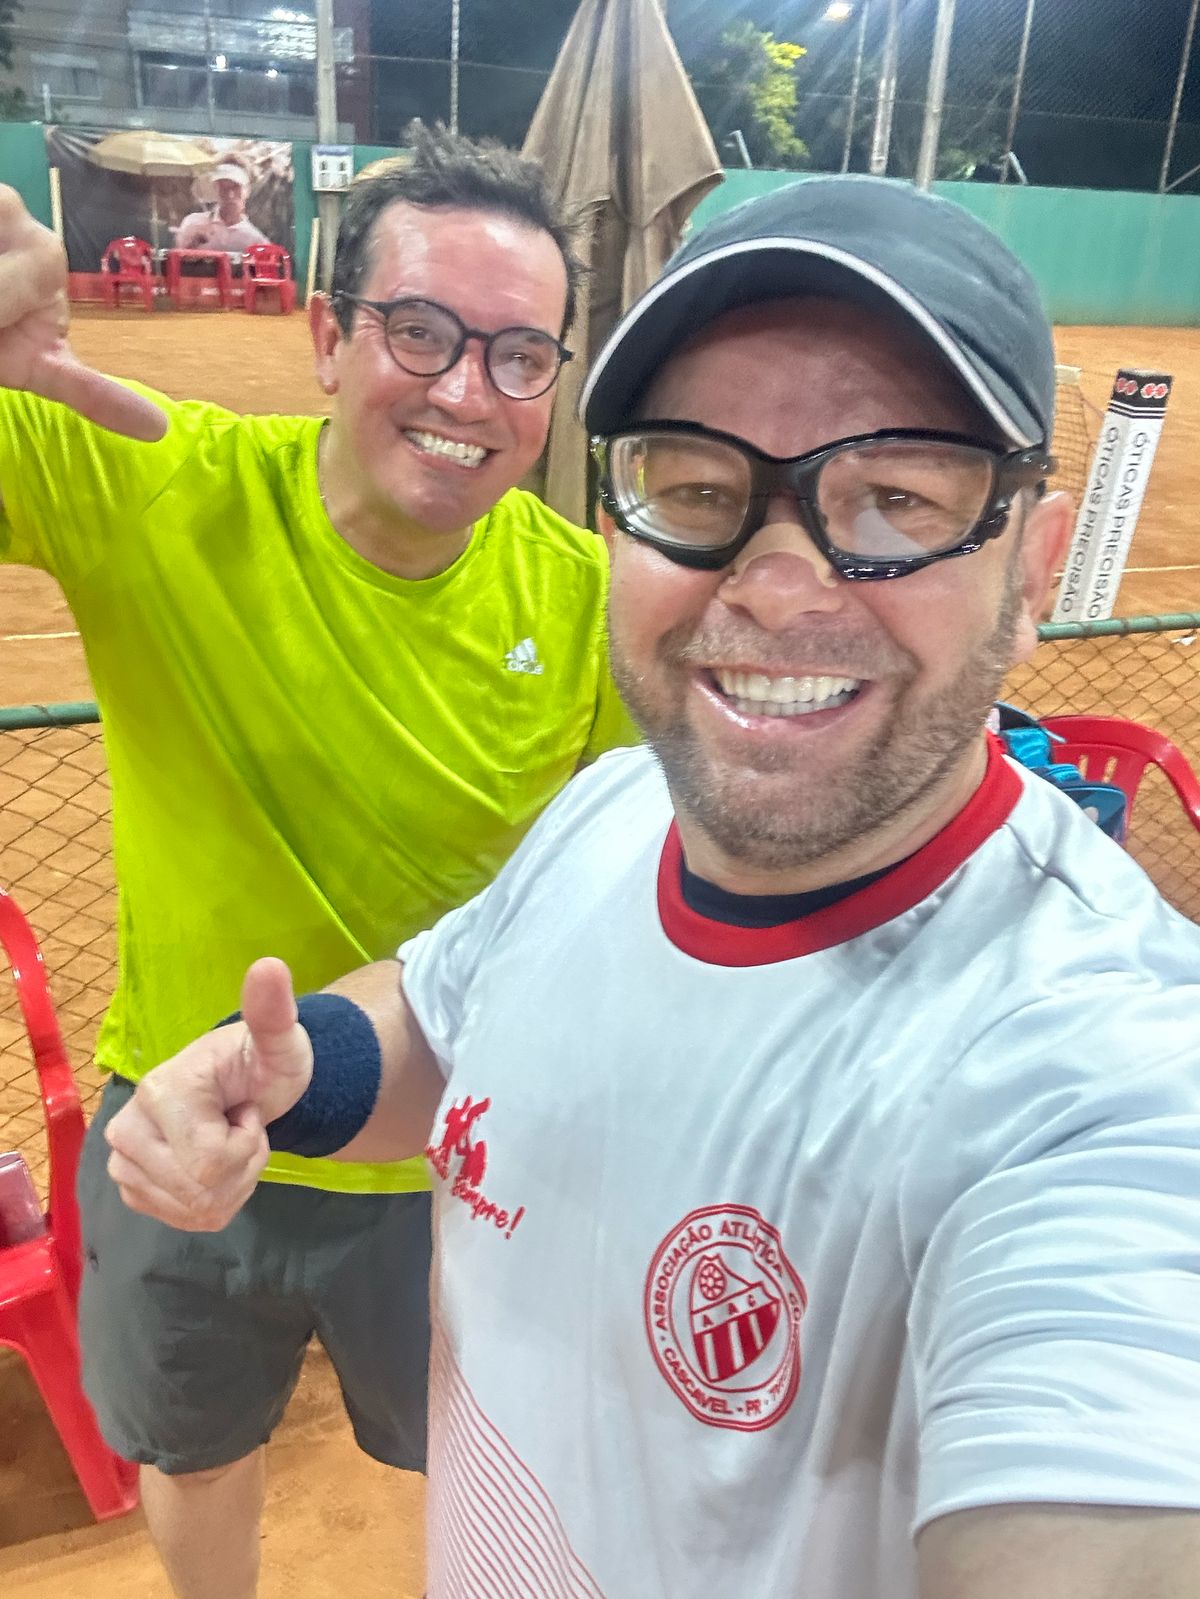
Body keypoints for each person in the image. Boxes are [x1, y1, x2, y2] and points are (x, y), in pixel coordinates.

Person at [104, 176, 1200, 1598]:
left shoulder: (1106, 1080)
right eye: (699, 486)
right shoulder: (620, 806)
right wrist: (292, 1074)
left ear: (1035, 570)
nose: (779, 582)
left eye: (897, 497)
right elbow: (446, 1011)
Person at [0, 122, 635, 1599]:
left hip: (460, 1156)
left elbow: (620, 888)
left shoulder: (591, 603)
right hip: (176, 1131)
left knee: (477, 1455)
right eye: (420, 330)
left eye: (520, 356)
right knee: (191, 1445)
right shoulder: (155, 478)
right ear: (326, 338)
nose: (466, 391)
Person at [175, 154, 269, 252]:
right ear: (215, 187)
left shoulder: (256, 241)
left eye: (235, 187)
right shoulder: (192, 222)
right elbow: (175, 257)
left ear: (247, 190)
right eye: (223, 187)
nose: (230, 195)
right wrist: (192, 243)